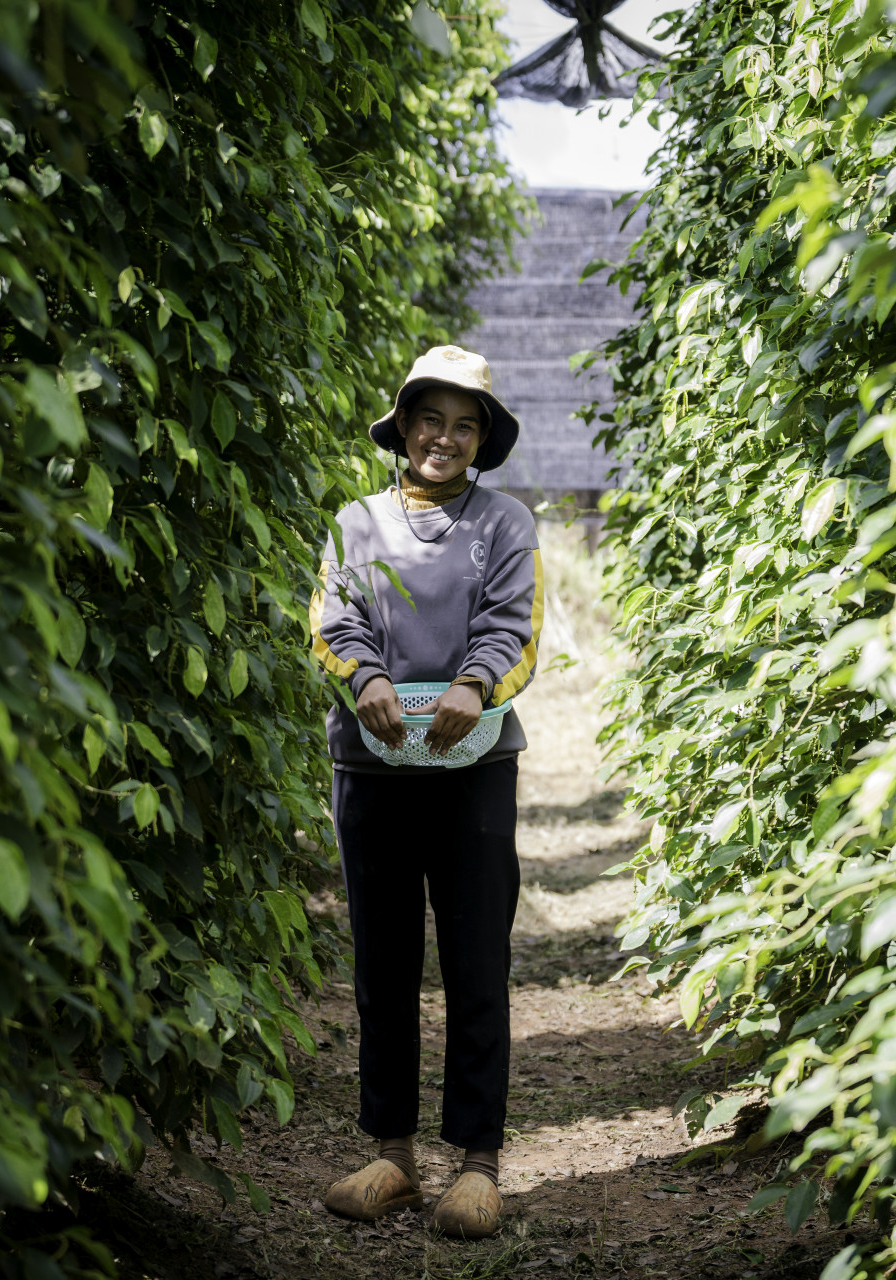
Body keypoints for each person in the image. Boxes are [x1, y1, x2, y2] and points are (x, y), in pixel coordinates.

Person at [307, 346, 543, 1238]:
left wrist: (473, 685)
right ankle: (392, 1154)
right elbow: (334, 621)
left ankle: (478, 1163)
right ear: (402, 427)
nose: (445, 438)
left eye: (465, 424)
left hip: (475, 766)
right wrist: (364, 676)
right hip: (372, 769)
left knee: (477, 958)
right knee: (385, 960)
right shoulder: (353, 523)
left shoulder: (506, 523)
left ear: (483, 440)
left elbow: (514, 629)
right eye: (430, 419)